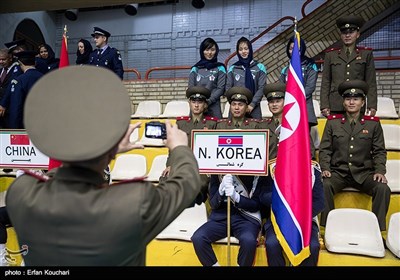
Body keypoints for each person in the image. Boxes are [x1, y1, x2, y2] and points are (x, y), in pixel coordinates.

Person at [5, 65, 202, 266]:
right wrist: (179, 147)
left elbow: (60, 173)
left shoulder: (21, 193)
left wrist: (108, 150)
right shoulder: (133, 203)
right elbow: (187, 182)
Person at [191, 86, 266, 266]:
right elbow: (214, 202)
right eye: (233, 104)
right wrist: (223, 191)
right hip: (220, 216)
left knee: (248, 241)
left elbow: (256, 202)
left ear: (247, 106)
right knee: (198, 237)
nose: (237, 108)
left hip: (245, 217)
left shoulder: (255, 127)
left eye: (241, 104)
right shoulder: (220, 127)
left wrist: (235, 196)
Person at [319, 80, 390, 232]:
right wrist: (325, 168)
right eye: (348, 99)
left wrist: (380, 171)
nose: (351, 102)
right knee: (324, 185)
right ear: (343, 102)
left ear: (363, 102)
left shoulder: (373, 124)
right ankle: (326, 230)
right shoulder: (333, 123)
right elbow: (325, 149)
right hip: (339, 172)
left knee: (383, 188)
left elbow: (379, 151)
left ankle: (378, 231)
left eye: (356, 99)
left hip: (364, 173)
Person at [261, 159, 324, 266]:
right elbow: (263, 197)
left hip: (305, 222)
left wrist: (300, 216)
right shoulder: (272, 168)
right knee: (272, 244)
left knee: (312, 246)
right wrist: (283, 196)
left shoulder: (313, 170)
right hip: (278, 220)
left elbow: (319, 203)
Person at [161, 86, 218, 206]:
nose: (196, 105)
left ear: (205, 105)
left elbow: (217, 150)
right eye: (193, 102)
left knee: (199, 184)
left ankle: (187, 205)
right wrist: (170, 165)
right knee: (165, 180)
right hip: (182, 165)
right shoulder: (181, 123)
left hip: (202, 168)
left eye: (200, 102)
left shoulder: (212, 123)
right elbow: (173, 149)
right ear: (189, 103)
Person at [320, 15, 377, 117]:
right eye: (344, 32)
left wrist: (372, 105)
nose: (347, 35)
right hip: (335, 104)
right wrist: (324, 105)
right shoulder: (330, 55)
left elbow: (371, 82)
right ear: (341, 35)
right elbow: (326, 82)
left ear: (358, 34)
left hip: (357, 104)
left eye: (351, 32)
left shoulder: (366, 54)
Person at [280, 36, 318, 129]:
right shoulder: (285, 69)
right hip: (289, 109)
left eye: (297, 48)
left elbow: (310, 87)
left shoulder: (311, 65)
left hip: (304, 107)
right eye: (291, 48)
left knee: (305, 141)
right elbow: (281, 88)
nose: (294, 51)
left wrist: (296, 99)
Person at [225, 37, 267, 120]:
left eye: (246, 49)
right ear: (237, 51)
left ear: (250, 50)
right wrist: (236, 105)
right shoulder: (233, 68)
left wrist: (252, 104)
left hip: (254, 108)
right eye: (240, 49)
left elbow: (262, 88)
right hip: (236, 108)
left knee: (256, 131)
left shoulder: (260, 67)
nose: (243, 51)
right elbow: (228, 88)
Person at [0, 51, 43, 129]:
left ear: (20, 64)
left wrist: (14, 128)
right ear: (35, 63)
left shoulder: (19, 80)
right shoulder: (44, 77)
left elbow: (16, 106)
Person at [188, 38, 226, 119]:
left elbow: (221, 88)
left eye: (212, 50)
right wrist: (200, 102)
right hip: (197, 106)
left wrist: (208, 102)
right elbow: (191, 88)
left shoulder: (220, 68)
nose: (209, 53)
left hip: (214, 106)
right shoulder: (195, 69)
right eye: (207, 49)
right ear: (202, 51)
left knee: (216, 130)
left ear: (216, 51)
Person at [258, 82, 286, 159]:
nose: (274, 105)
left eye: (278, 101)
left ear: (285, 102)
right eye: (271, 102)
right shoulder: (262, 126)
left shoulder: (295, 125)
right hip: (269, 168)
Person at [0, 48, 13, 128]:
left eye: (3, 59)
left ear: (10, 58)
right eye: (0, 59)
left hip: (9, 110)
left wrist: (3, 104)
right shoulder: (0, 70)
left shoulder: (17, 71)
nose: (1, 62)